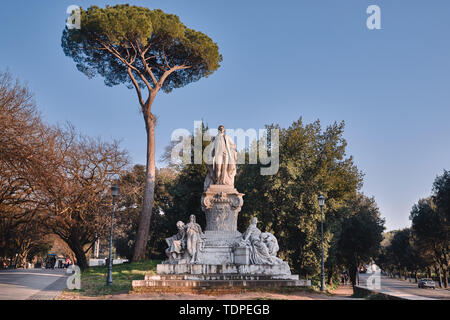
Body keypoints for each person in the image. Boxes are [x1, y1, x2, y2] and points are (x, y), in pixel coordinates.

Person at [204, 125, 237, 190]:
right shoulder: (215, 138)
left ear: (224, 130)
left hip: (226, 154)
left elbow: (233, 145)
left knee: (224, 169)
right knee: (218, 168)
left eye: (222, 129)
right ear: (218, 130)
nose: (221, 130)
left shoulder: (226, 137)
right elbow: (211, 147)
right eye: (220, 129)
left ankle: (223, 182)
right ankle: (218, 181)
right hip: (218, 154)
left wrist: (231, 150)